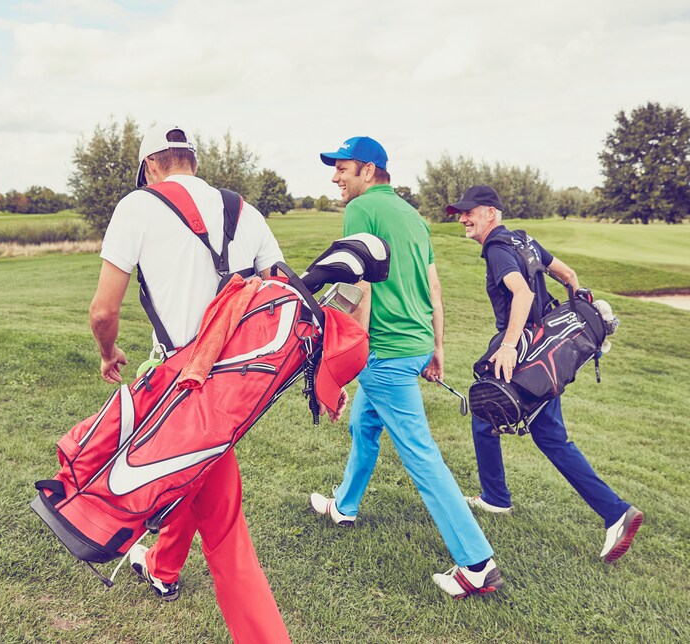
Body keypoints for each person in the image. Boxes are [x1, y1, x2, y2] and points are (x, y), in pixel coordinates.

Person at [89, 123, 291, 642]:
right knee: (193, 473)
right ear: (191, 161)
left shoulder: (138, 205)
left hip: (181, 383)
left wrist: (109, 352)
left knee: (226, 534)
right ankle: (162, 568)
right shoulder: (245, 210)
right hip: (240, 382)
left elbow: (103, 311)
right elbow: (282, 289)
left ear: (151, 165)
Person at [308, 136, 504, 599]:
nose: (335, 177)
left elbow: (361, 289)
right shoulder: (412, 215)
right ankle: (345, 505)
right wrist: (436, 348)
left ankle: (476, 563)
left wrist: (343, 361)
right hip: (415, 344)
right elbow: (433, 288)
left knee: (420, 454)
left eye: (343, 168)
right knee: (364, 426)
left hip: (387, 351)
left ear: (369, 171)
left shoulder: (362, 210)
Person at [448, 184, 643, 563]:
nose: (463, 218)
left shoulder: (498, 248)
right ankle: (495, 498)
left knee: (523, 425)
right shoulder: (525, 240)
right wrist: (570, 310)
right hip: (547, 349)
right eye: (460, 213)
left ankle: (615, 511)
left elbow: (520, 294)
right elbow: (568, 275)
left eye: (469, 212)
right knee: (501, 423)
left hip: (524, 354)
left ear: (491, 213)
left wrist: (508, 345)